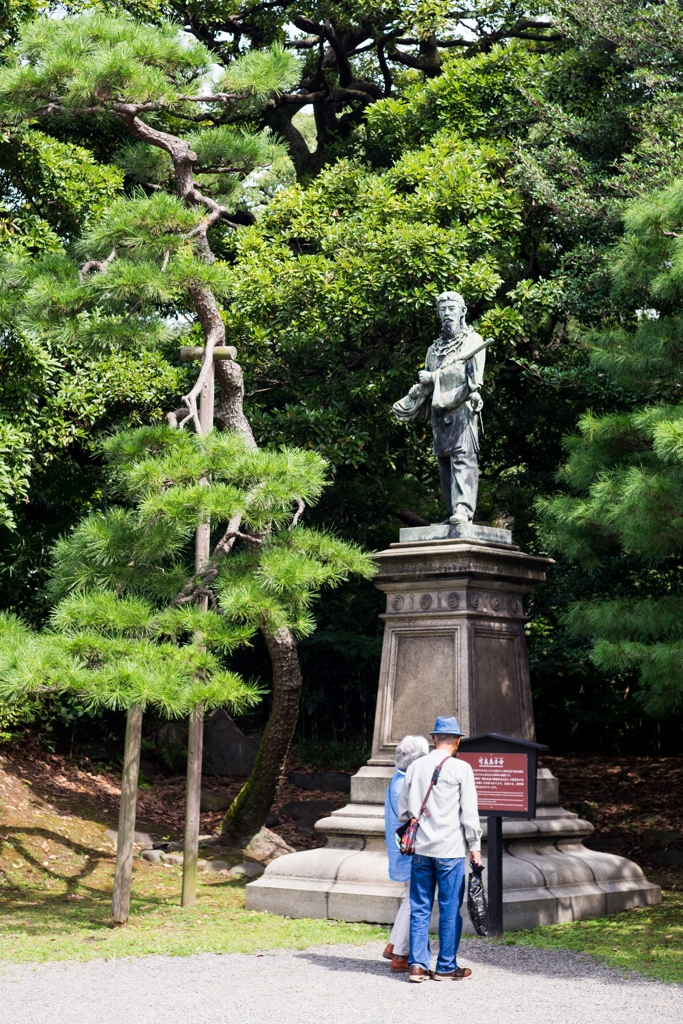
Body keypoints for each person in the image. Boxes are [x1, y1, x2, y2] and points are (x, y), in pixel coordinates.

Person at [398, 715, 482, 982]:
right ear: (457, 741)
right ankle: (446, 966)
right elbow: (469, 813)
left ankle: (417, 966)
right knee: (449, 908)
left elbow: (403, 810)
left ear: (434, 739)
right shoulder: (461, 769)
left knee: (420, 906)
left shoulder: (414, 767)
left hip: (421, 848)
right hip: (451, 850)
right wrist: (475, 846)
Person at [383, 734, 430, 972]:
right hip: (412, 850)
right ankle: (400, 954)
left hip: (403, 848)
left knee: (410, 897)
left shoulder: (398, 779)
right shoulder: (406, 783)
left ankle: (394, 945)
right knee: (415, 899)